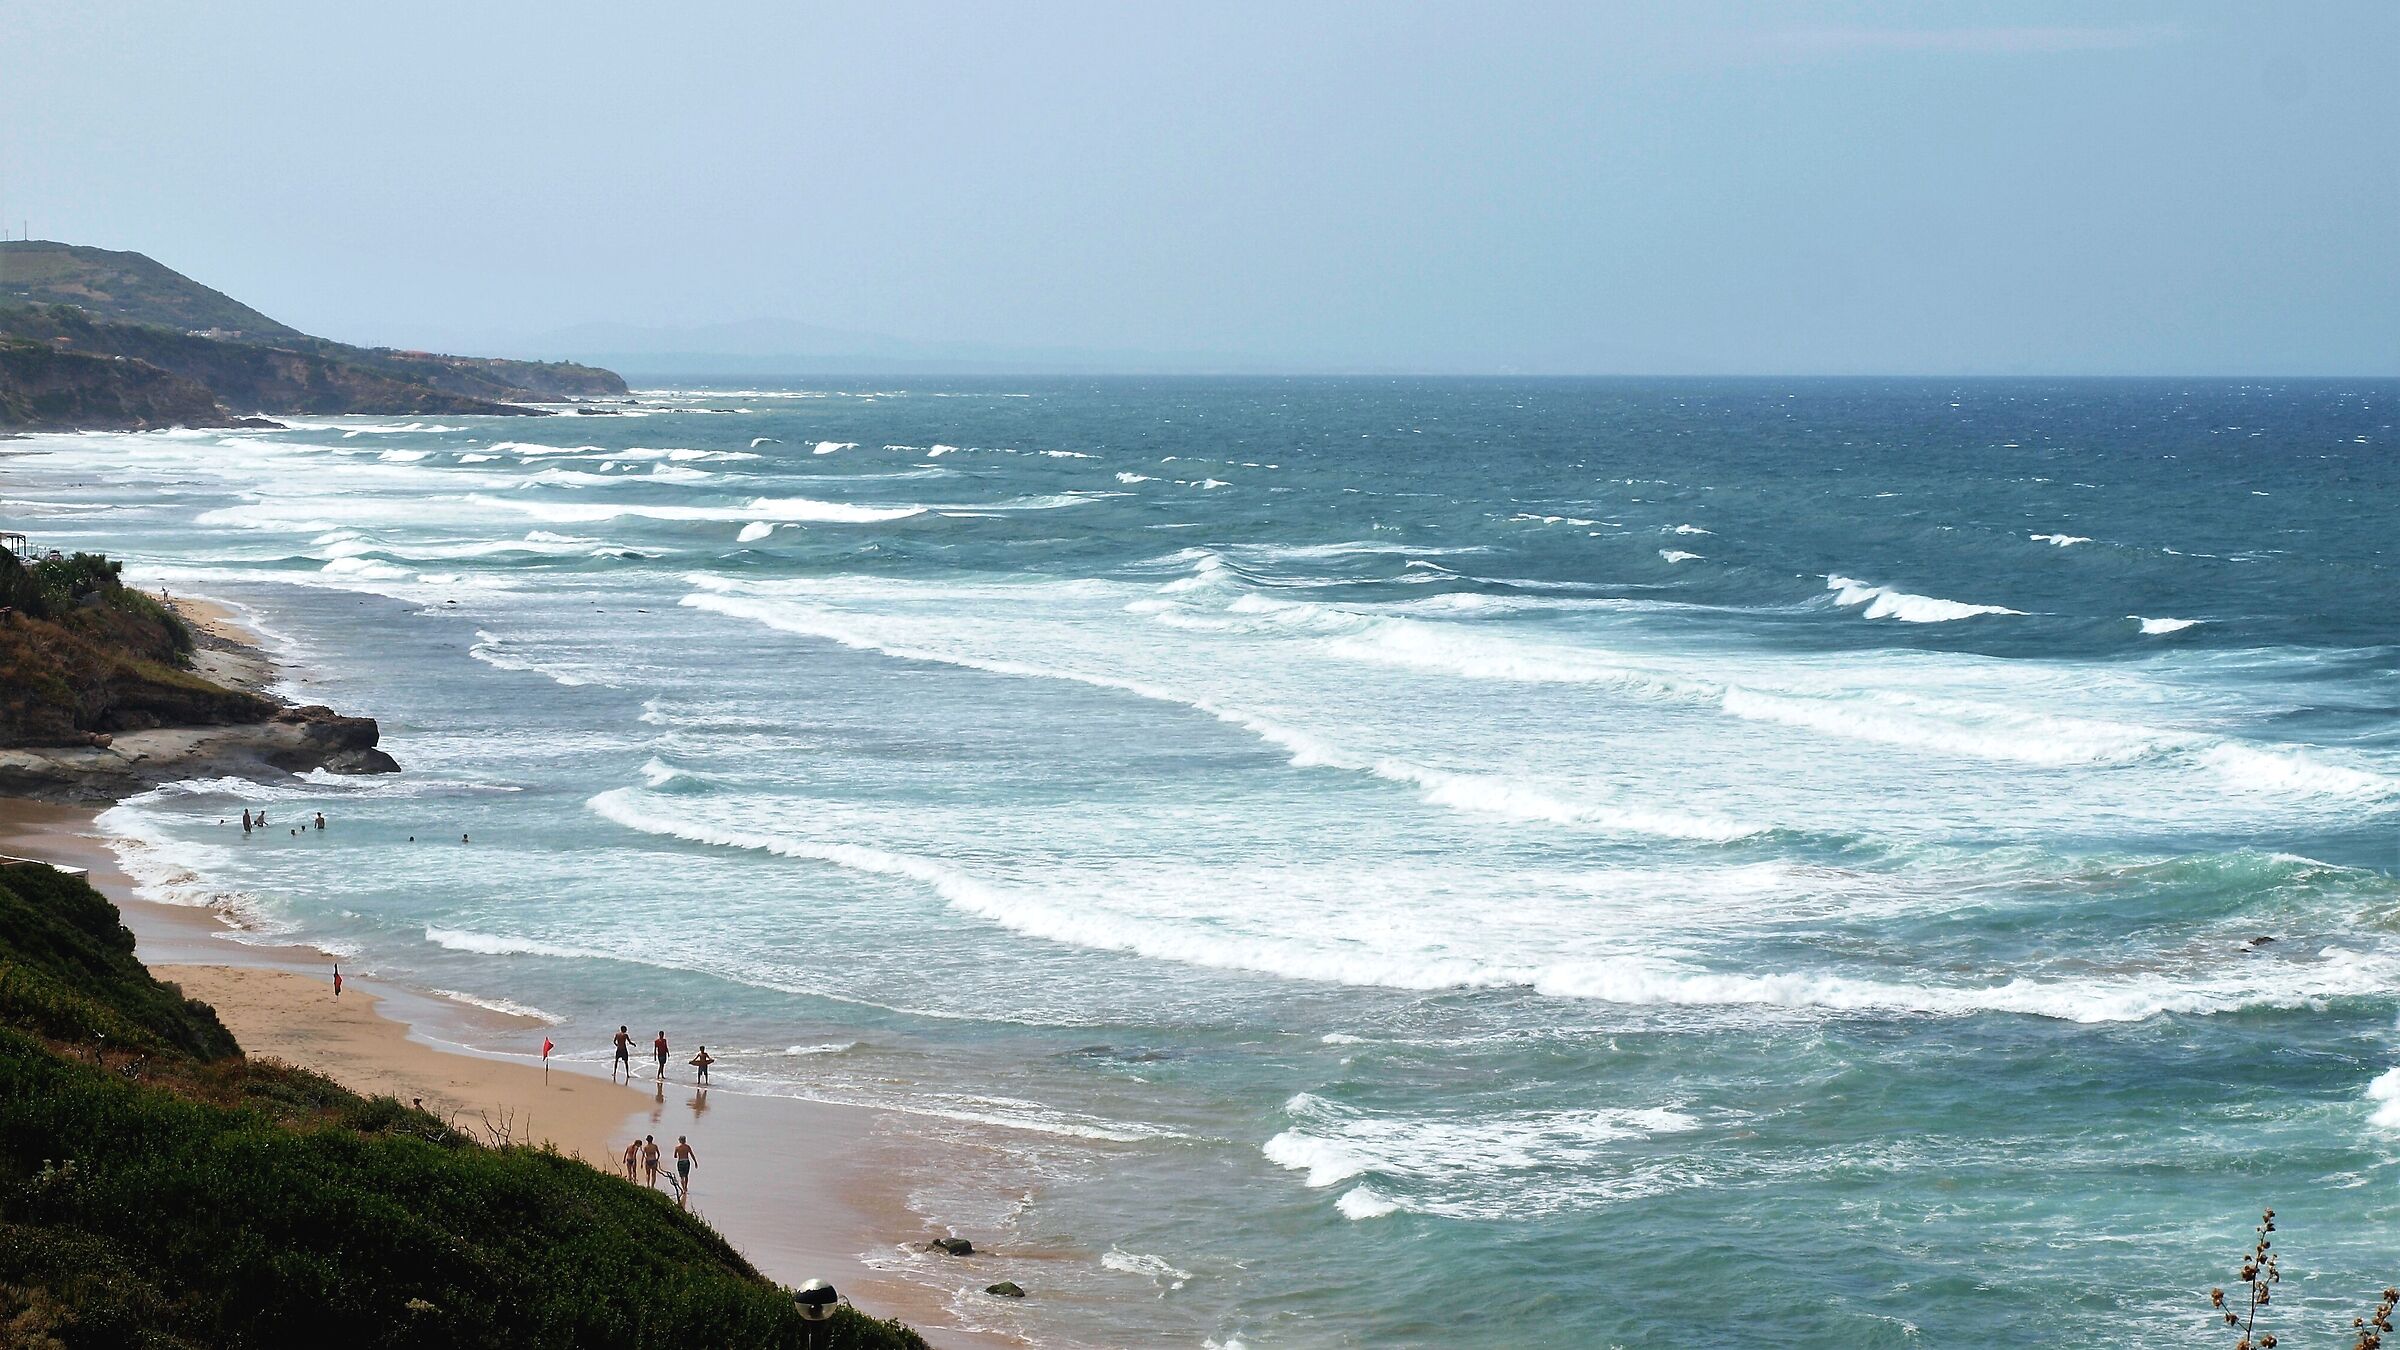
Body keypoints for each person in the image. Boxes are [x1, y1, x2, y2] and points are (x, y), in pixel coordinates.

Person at [672, 1136, 697, 1207]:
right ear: (685, 1140)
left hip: (680, 1161)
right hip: (686, 1161)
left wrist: (678, 1155)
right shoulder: (687, 1147)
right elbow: (692, 1154)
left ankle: (683, 1189)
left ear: (679, 1140)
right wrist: (695, 1162)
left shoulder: (677, 1147)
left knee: (681, 1176)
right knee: (686, 1176)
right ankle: (685, 1188)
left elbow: (675, 1156)